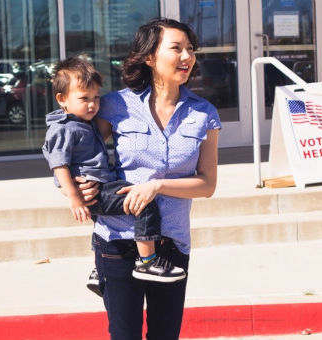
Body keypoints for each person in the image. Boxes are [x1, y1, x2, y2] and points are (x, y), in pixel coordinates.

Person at [76, 18, 220, 340]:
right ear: (150, 57)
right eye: (176, 48)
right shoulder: (114, 105)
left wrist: (157, 186)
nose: (187, 56)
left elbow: (207, 184)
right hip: (117, 238)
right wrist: (80, 184)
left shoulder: (204, 113)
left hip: (171, 242)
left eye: (190, 49)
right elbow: (86, 157)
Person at [41, 57, 186, 290]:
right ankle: (147, 261)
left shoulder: (83, 122)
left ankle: (99, 269)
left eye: (96, 98)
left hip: (100, 184)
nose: (92, 104)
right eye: (84, 99)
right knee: (142, 202)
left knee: (101, 223)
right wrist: (74, 197)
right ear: (62, 100)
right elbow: (59, 165)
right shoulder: (63, 128)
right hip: (94, 189)